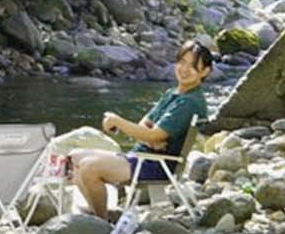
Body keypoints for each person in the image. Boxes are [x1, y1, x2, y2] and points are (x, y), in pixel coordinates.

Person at [66, 40, 214, 223]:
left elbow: (152, 134)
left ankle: (101, 222)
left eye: (192, 66)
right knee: (73, 157)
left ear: (205, 72)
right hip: (142, 157)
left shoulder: (189, 102)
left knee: (89, 166)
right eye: (182, 62)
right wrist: (150, 137)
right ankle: (98, 212)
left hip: (156, 164)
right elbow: (144, 126)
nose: (184, 69)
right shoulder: (173, 94)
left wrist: (118, 121)